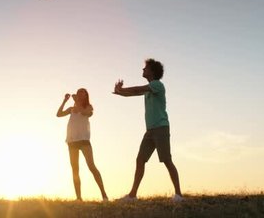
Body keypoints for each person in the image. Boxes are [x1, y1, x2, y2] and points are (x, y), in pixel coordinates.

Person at [113, 59, 183, 202]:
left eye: (145, 68)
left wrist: (122, 90)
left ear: (152, 71)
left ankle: (178, 195)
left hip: (161, 128)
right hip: (150, 130)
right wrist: (119, 91)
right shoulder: (148, 89)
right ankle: (132, 195)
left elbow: (137, 89)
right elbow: (132, 94)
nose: (143, 70)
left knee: (167, 160)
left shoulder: (157, 85)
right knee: (140, 160)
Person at [56, 88, 109, 201]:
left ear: (85, 96)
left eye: (82, 93)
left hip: (84, 140)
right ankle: (79, 198)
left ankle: (104, 194)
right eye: (78, 92)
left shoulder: (88, 107)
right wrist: (65, 101)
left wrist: (77, 103)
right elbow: (58, 114)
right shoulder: (71, 109)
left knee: (91, 166)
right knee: (75, 169)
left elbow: (86, 113)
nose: (79, 94)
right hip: (72, 141)